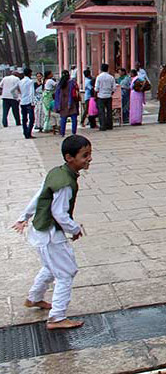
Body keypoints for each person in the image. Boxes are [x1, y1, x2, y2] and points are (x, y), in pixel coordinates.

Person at [10, 135, 91, 330]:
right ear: (69, 157)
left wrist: (24, 217)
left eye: (89, 154)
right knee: (66, 272)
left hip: (41, 232)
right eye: (84, 155)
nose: (89, 159)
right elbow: (59, 213)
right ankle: (57, 317)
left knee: (50, 266)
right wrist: (75, 229)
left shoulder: (56, 172)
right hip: (50, 235)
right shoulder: (65, 183)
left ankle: (34, 298)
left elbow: (39, 195)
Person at [54, 71, 80, 137]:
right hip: (71, 102)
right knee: (74, 118)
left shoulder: (59, 84)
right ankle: (73, 132)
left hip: (62, 103)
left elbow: (56, 94)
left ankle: (62, 133)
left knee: (63, 119)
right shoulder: (71, 83)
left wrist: (57, 105)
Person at [94, 64, 116, 131]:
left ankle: (102, 126)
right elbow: (114, 88)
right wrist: (110, 93)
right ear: (107, 69)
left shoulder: (99, 77)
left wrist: (95, 96)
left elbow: (96, 88)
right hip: (108, 96)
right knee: (109, 111)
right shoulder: (111, 77)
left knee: (101, 112)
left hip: (101, 96)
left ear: (101, 69)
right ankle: (109, 125)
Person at [18, 68, 36, 139]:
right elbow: (32, 92)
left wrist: (18, 97)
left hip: (22, 102)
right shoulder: (30, 81)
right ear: (29, 74)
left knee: (24, 118)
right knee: (32, 118)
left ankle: (25, 132)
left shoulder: (20, 81)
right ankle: (29, 132)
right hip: (29, 102)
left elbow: (15, 90)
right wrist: (32, 102)